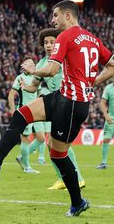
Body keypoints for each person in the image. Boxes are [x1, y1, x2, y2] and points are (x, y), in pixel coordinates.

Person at [0, 0, 114, 217]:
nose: (53, 20)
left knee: (57, 154)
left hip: (71, 104)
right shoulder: (94, 39)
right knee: (21, 114)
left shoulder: (66, 36)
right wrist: (90, 82)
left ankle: (77, 202)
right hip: (64, 96)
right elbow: (113, 67)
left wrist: (33, 70)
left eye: (56, 15)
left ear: (68, 15)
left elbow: (51, 70)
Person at [20, 28, 85, 189]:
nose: (48, 45)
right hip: (56, 104)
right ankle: (64, 179)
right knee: (52, 145)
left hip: (68, 102)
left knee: (60, 144)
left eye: (52, 42)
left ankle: (77, 178)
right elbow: (34, 87)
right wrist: (25, 86)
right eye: (46, 42)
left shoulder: (64, 57)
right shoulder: (42, 63)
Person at [8, 56, 42, 174]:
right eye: (28, 64)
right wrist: (13, 111)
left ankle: (22, 157)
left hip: (37, 111)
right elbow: (11, 95)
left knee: (41, 138)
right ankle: (27, 167)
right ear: (24, 66)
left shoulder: (36, 77)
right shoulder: (20, 78)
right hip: (24, 111)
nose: (31, 66)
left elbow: (39, 93)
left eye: (32, 64)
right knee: (25, 138)